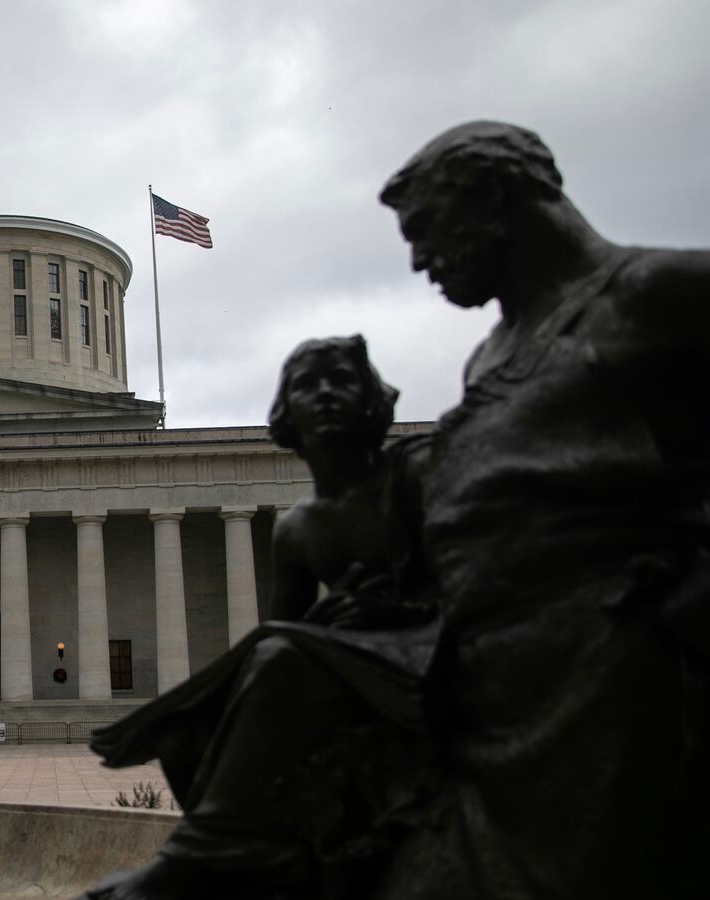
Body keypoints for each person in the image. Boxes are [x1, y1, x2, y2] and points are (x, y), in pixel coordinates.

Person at [370, 121, 709, 899]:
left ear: (492, 196)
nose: (419, 260)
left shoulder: (657, 297)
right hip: (483, 681)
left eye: (425, 230)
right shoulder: (489, 357)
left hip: (603, 688)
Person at [86, 337, 437, 899]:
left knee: (275, 660)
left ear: (372, 401)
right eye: (307, 386)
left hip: (429, 654)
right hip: (343, 665)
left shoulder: (420, 477)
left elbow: (480, 575)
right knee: (189, 729)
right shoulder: (298, 529)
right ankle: (246, 850)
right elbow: (278, 630)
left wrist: (385, 608)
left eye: (341, 382)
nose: (324, 398)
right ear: (286, 416)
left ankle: (194, 857)